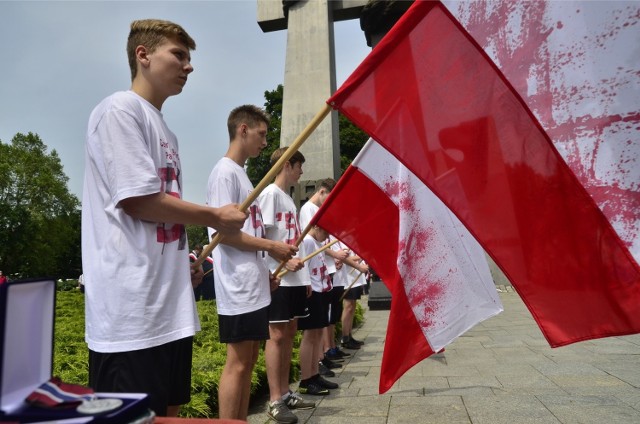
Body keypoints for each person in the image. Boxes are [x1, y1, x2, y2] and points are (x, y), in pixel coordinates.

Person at [81, 19, 247, 417]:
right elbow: (138, 201)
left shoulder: (165, 130)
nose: (188, 66)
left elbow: (159, 215)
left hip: (167, 308)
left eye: (189, 58)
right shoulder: (119, 110)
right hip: (130, 317)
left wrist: (181, 266)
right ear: (143, 55)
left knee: (169, 414)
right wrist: (214, 215)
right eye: (179, 55)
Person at [206, 104, 298, 421]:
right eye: (261, 134)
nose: (264, 142)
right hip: (237, 287)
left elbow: (246, 232)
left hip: (252, 283)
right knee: (239, 362)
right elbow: (223, 235)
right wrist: (273, 246)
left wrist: (264, 272)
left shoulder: (242, 176)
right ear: (243, 129)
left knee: (250, 359)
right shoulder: (224, 173)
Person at [257, 148, 316, 423]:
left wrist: (303, 277)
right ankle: (274, 399)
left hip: (293, 277)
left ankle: (284, 391)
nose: (301, 172)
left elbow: (293, 241)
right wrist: (283, 261)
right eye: (299, 166)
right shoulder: (269, 194)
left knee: (290, 332)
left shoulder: (288, 200)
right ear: (287, 165)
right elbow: (263, 238)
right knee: (277, 336)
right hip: (277, 276)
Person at [297, 225, 339, 396]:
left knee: (316, 335)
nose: (327, 234)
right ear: (315, 226)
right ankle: (306, 379)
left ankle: (315, 374)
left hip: (321, 289)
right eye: (325, 230)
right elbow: (303, 264)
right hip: (311, 292)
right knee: (310, 335)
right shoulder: (307, 241)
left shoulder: (317, 242)